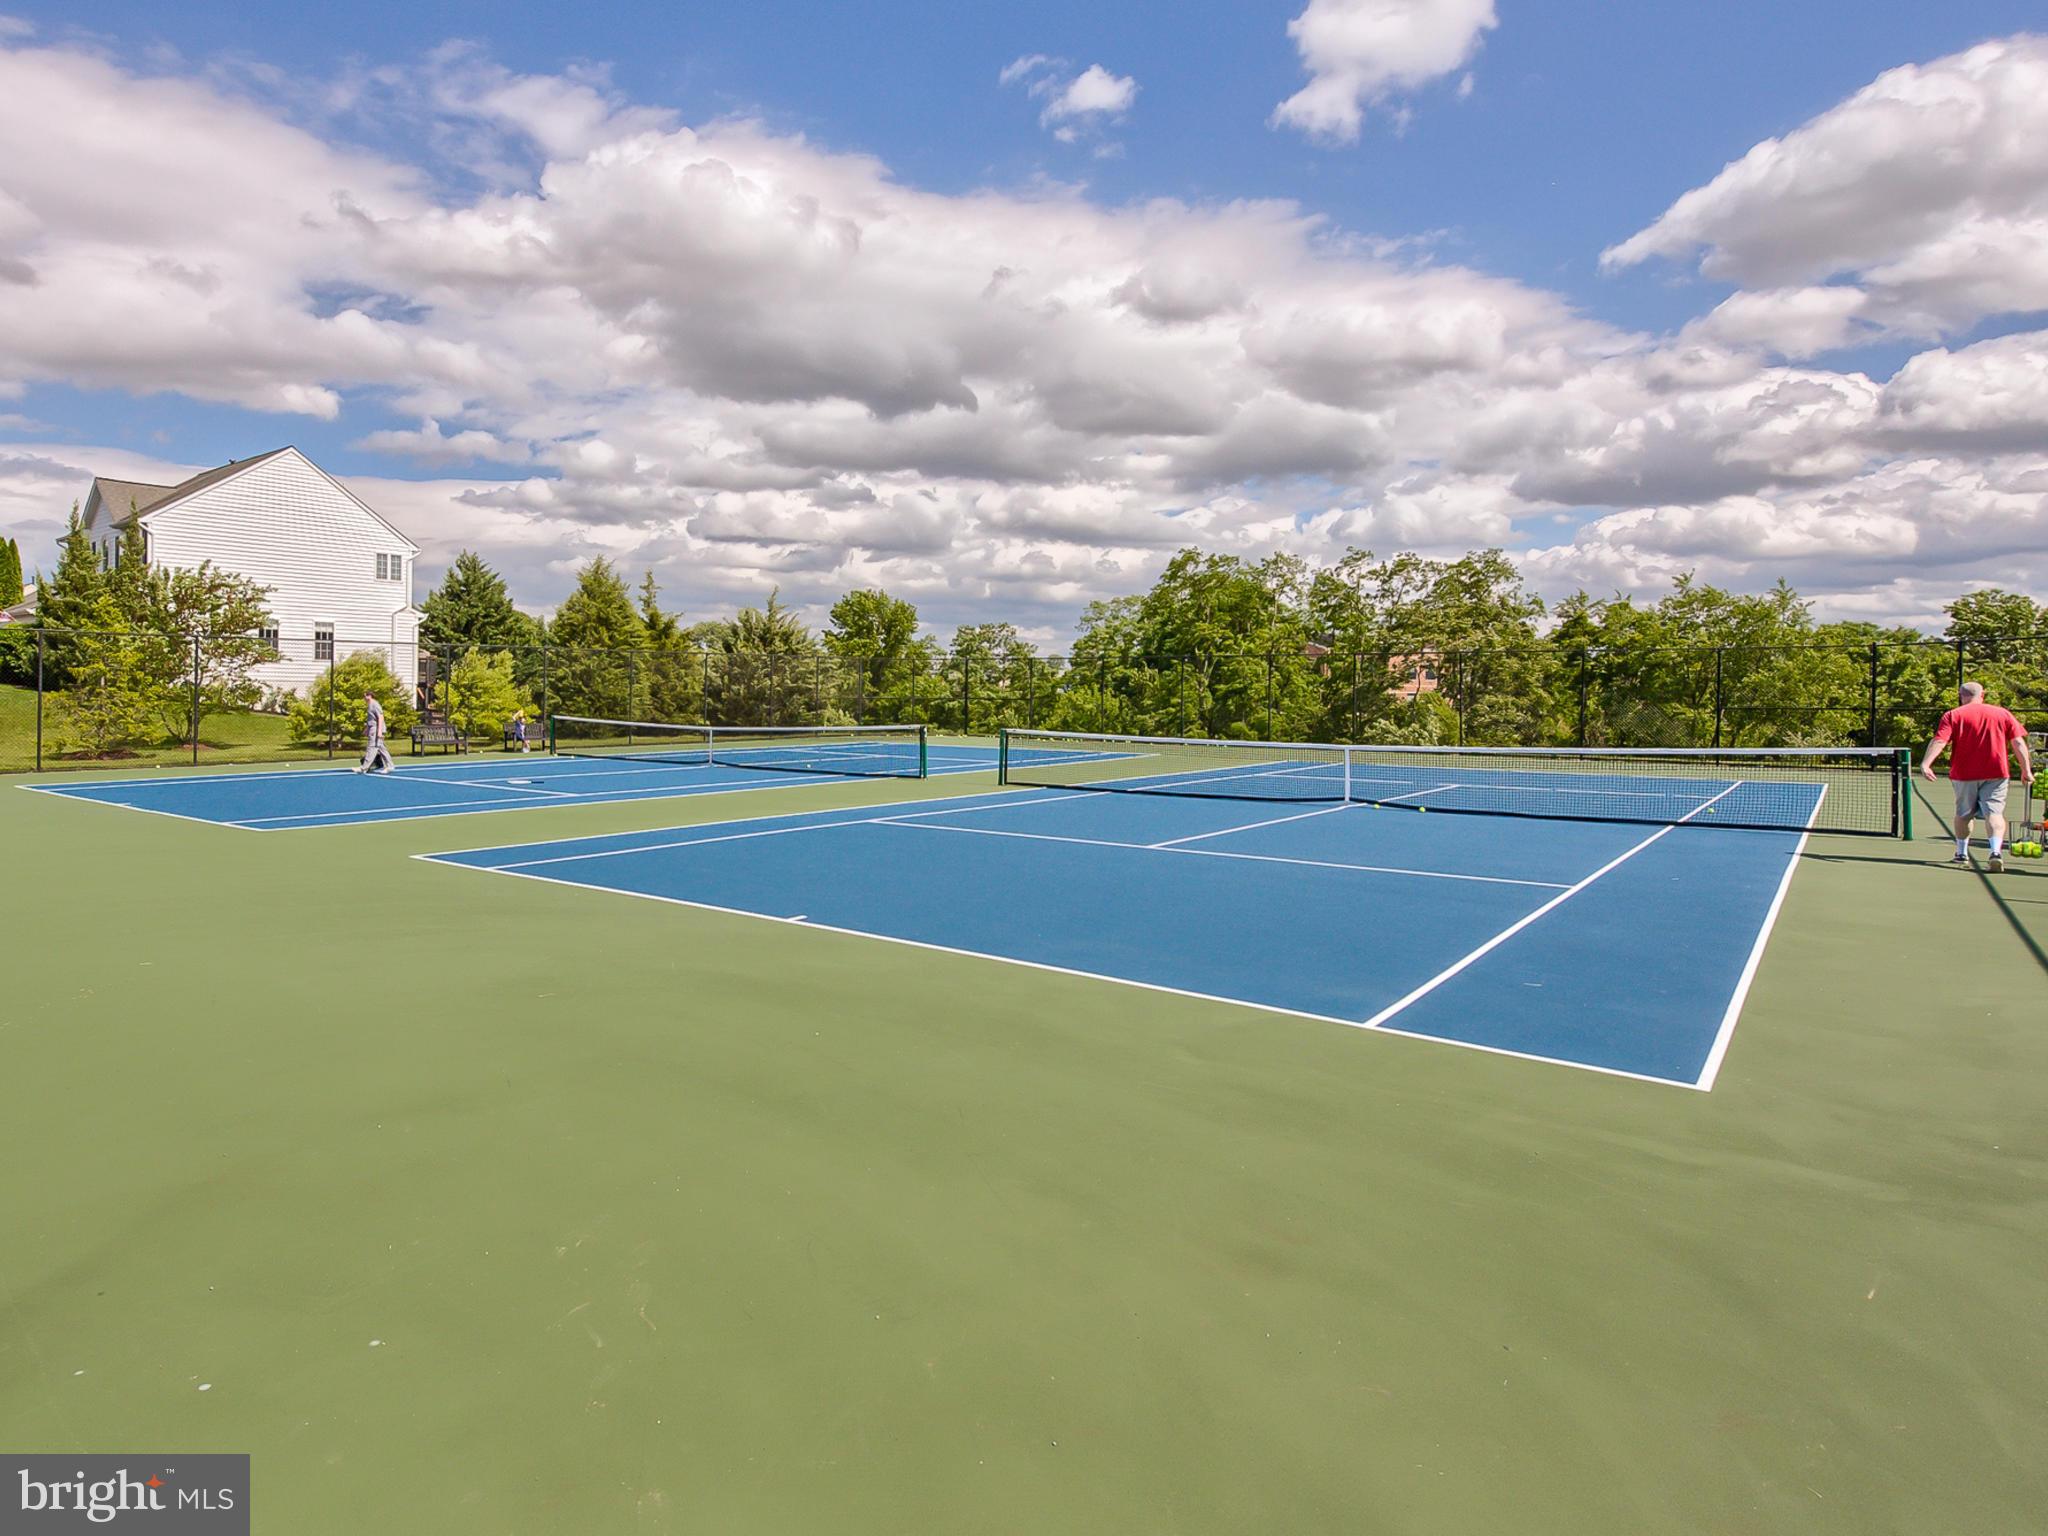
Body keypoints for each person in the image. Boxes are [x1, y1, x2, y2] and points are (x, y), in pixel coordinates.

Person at [1922, 680, 2031, 872]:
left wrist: (1926, 763)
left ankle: (1962, 853)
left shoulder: (1953, 715)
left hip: (1964, 774)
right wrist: (2026, 769)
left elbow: (1940, 740)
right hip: (1997, 772)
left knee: (1963, 814)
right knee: (1994, 813)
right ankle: (1995, 852)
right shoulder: (2002, 713)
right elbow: (2018, 743)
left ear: (1961, 695)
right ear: (1983, 695)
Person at [356, 690, 395, 775]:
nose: (364, 698)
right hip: (373, 728)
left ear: (369, 696)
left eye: (365, 696)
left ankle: (364, 768)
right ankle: (390, 766)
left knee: (372, 748)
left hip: (376, 729)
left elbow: (380, 717)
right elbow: (371, 719)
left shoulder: (375, 704)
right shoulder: (370, 705)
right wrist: (366, 729)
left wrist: (379, 732)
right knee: (381, 748)